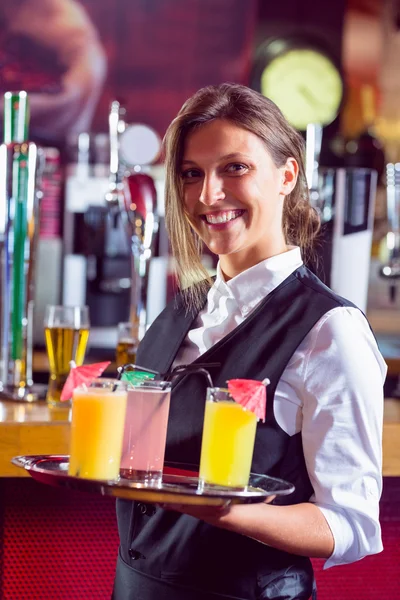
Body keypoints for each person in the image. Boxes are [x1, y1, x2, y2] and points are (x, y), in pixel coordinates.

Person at [113, 83, 386, 600]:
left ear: (287, 176)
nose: (207, 195)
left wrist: (227, 511)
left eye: (234, 168)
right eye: (192, 174)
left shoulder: (330, 332)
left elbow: (349, 525)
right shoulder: (181, 310)